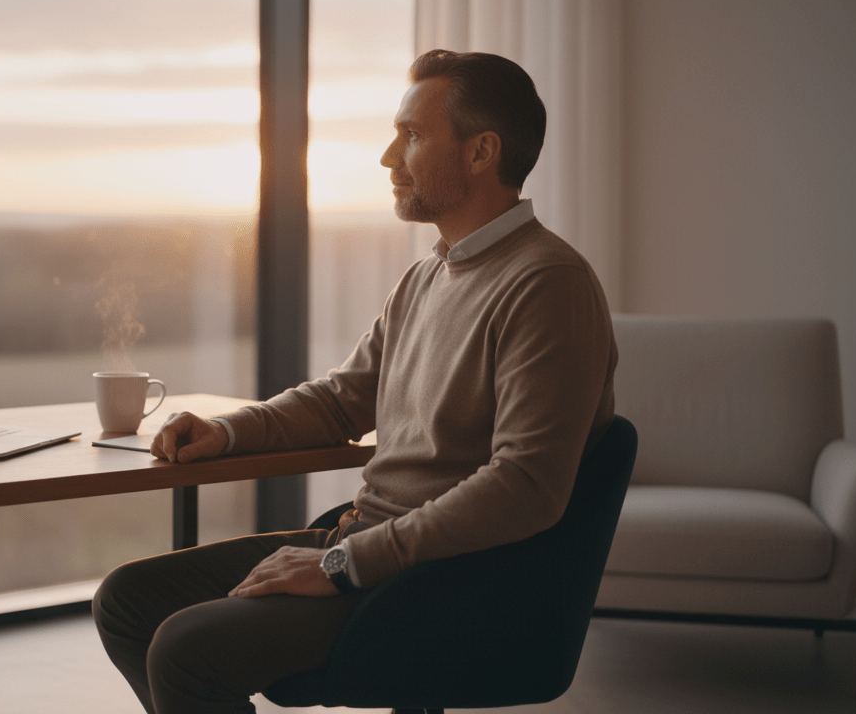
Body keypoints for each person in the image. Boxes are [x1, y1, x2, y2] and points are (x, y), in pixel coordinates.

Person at [93, 49, 618, 714]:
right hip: (367, 546)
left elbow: (525, 488)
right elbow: (342, 401)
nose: (388, 158)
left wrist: (342, 565)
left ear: (481, 152)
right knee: (126, 601)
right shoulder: (427, 277)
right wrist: (227, 432)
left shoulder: (548, 285)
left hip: (444, 583)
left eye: (413, 135)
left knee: (182, 650)